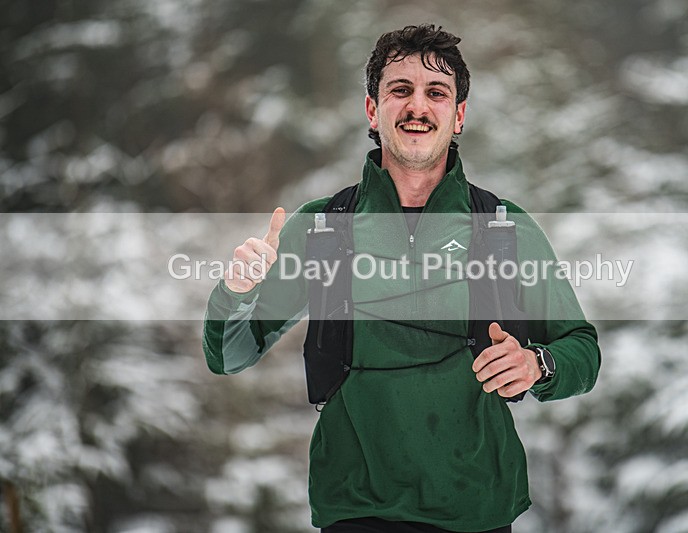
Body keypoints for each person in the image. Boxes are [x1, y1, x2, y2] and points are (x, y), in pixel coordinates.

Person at [203, 24, 601, 533]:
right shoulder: (322, 228)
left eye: (437, 92)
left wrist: (537, 363)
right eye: (400, 90)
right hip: (357, 509)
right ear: (373, 110)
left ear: (458, 116)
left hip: (477, 509)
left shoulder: (504, 228)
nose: (418, 105)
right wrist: (235, 293)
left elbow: (582, 350)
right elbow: (229, 355)